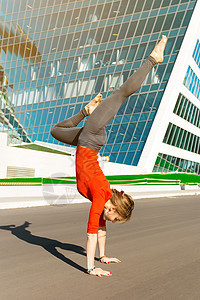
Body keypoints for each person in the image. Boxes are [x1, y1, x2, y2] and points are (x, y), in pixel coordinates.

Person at [51, 35, 167, 277]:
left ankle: (86, 110)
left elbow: (100, 230)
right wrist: (91, 267)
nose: (110, 220)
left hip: (87, 141)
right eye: (114, 218)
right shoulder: (100, 198)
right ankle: (153, 59)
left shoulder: (102, 199)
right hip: (91, 137)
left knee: (55, 131)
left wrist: (103, 256)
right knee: (122, 93)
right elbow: (91, 233)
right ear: (113, 207)